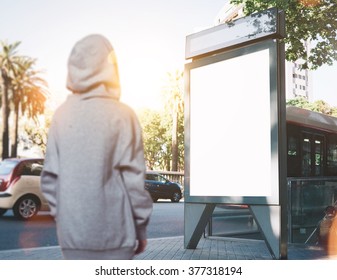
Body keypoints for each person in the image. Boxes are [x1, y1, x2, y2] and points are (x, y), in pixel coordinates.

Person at [41, 34, 153, 260]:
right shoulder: (123, 115)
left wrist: (65, 218)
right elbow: (134, 180)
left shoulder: (61, 115)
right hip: (116, 236)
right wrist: (140, 228)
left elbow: (50, 180)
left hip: (72, 237)